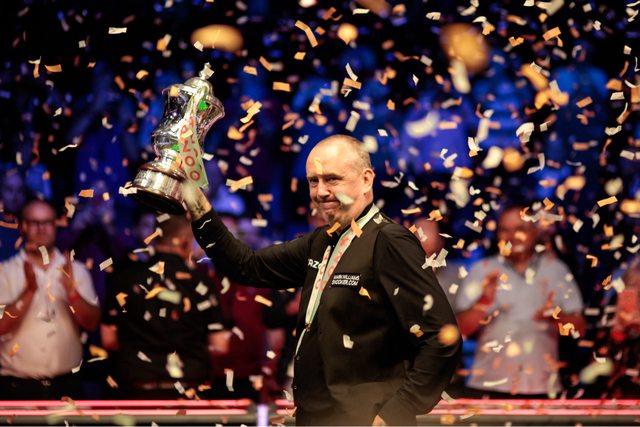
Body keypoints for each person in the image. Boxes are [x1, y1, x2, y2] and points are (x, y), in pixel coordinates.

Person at [183, 134, 461, 426]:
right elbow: (247, 266)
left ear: (366, 180)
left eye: (332, 179)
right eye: (313, 181)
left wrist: (396, 412)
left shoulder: (389, 241)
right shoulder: (322, 242)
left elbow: (441, 338)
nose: (321, 192)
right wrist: (195, 199)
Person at [455, 204, 586, 398]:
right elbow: (458, 331)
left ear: (535, 231)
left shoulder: (556, 269)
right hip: (488, 385)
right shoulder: (483, 269)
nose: (512, 236)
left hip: (542, 387)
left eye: (520, 229)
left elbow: (580, 329)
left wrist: (555, 316)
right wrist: (483, 302)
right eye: (505, 230)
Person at [101, 214, 229, 399]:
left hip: (137, 387)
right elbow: (220, 345)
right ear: (184, 241)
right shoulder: (200, 282)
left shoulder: (125, 278)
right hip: (189, 388)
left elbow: (108, 339)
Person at [0, 198, 100, 399]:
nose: (42, 229)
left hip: (67, 387)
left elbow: (92, 323)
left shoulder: (76, 270)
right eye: (35, 223)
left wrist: (72, 292)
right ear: (23, 226)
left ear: (55, 224)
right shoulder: (5, 272)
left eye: (47, 222)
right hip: (17, 387)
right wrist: (29, 292)